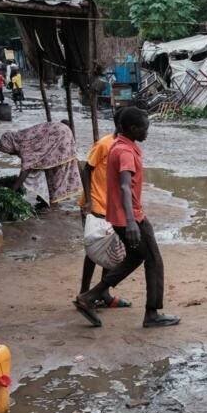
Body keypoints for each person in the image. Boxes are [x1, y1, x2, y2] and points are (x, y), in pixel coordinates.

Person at [74, 107, 180, 328]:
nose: (147, 132)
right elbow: (124, 186)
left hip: (123, 215)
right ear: (133, 128)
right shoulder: (124, 152)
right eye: (145, 128)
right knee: (153, 259)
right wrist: (131, 221)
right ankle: (151, 314)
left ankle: (90, 296)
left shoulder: (119, 146)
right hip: (130, 217)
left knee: (134, 258)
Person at [78, 108, 128, 308]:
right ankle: (84, 292)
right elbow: (86, 169)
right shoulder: (104, 144)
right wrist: (89, 200)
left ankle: (103, 294)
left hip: (112, 206)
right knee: (93, 249)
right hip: (96, 204)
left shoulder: (124, 147)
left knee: (109, 249)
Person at [0, 121, 82, 206]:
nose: (11, 154)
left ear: (11, 145)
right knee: (49, 167)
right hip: (62, 131)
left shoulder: (23, 145)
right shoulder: (21, 136)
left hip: (60, 136)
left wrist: (13, 190)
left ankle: (53, 201)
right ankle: (49, 198)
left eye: (9, 152)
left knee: (57, 169)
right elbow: (34, 163)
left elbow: (26, 169)